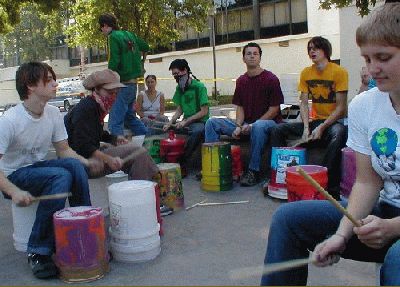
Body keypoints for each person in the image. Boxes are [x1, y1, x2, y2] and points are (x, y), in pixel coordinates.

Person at [261, 3, 400, 285]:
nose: (373, 69)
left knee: (397, 259)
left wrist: (393, 228)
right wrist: (341, 234)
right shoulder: (365, 105)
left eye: (383, 57)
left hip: (391, 225)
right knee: (288, 219)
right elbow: (367, 183)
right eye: (367, 59)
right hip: (383, 212)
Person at [0, 62, 101, 279]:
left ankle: (82, 232)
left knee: (73, 167)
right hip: (14, 176)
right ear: (30, 86)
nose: (56, 83)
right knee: (61, 175)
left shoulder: (53, 113)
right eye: (49, 79)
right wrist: (13, 191)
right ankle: (39, 251)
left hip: (38, 169)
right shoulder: (9, 121)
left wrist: (85, 162)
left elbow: (64, 150)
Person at [269, 36, 348, 199]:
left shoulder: (339, 72)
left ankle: (327, 186)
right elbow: (303, 103)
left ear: (325, 50)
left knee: (339, 133)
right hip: (315, 121)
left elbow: (341, 108)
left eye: (316, 48)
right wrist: (306, 128)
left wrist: (322, 127)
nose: (312, 51)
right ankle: (277, 178)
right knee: (278, 129)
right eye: (309, 48)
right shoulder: (306, 72)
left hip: (334, 122)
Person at [204, 42, 284, 186]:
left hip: (267, 125)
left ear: (260, 57)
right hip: (246, 124)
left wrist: (253, 125)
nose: (252, 56)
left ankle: (253, 171)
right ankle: (213, 165)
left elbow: (274, 110)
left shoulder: (271, 79)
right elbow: (240, 107)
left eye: (255, 54)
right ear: (243, 59)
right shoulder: (241, 81)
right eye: (249, 54)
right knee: (212, 122)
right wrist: (239, 125)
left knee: (258, 126)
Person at [64, 69, 159, 181]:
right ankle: (141, 190)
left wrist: (114, 139)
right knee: (138, 153)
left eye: (115, 93)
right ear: (97, 89)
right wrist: (106, 158)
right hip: (82, 161)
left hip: (88, 154)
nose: (113, 96)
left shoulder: (95, 105)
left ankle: (145, 184)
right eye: (110, 92)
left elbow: (95, 133)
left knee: (137, 150)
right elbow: (81, 144)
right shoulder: (86, 108)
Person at [99, 13, 149, 142]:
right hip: (133, 84)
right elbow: (145, 46)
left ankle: (119, 151)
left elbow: (114, 60)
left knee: (115, 121)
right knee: (129, 117)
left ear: (105, 25)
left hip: (122, 84)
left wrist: (107, 77)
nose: (102, 31)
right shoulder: (129, 34)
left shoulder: (112, 37)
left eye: (101, 28)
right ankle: (148, 139)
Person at [163, 59, 209, 171]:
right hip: (186, 123)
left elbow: (204, 111)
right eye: (174, 75)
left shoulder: (199, 87)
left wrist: (186, 121)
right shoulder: (180, 88)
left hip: (200, 122)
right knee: (164, 128)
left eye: (177, 74)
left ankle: (183, 161)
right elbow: (179, 110)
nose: (176, 77)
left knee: (197, 131)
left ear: (185, 71)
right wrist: (170, 122)